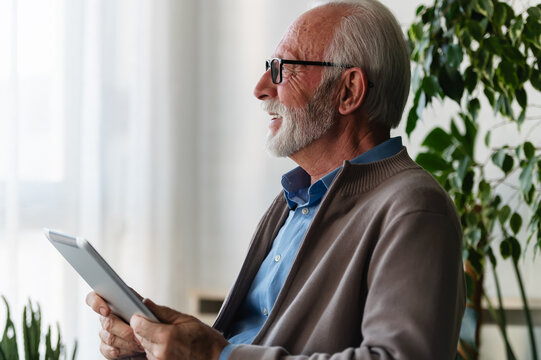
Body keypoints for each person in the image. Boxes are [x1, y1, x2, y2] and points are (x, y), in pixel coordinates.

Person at [86, 0, 466, 359]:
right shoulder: (292, 202)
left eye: (283, 69)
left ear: (348, 90)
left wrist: (215, 354)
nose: (261, 87)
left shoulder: (414, 209)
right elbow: (254, 343)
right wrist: (161, 343)